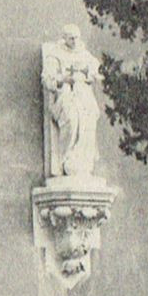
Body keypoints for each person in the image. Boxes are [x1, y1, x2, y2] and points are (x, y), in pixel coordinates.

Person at [43, 24, 102, 180]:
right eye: (71, 38)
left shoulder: (84, 53)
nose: (75, 41)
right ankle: (68, 159)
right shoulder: (55, 55)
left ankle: (84, 161)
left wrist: (89, 74)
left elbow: (97, 71)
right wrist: (63, 79)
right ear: (65, 38)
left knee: (89, 117)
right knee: (72, 118)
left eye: (77, 37)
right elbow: (48, 79)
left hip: (83, 94)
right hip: (65, 95)